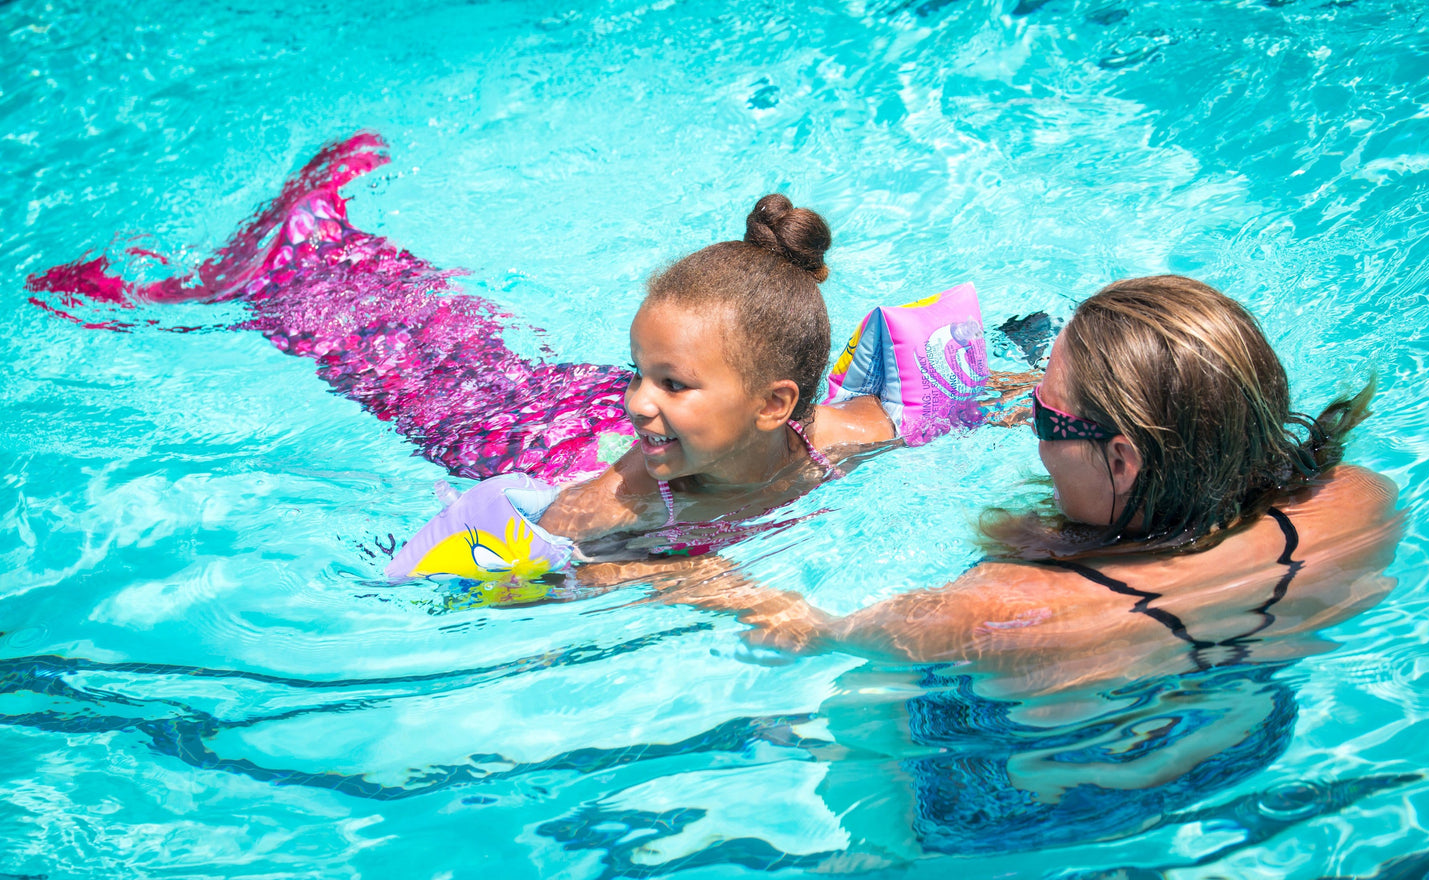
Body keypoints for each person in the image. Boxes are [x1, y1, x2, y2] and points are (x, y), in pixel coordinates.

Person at [26, 133, 1000, 579]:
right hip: (531, 432)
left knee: (451, 343)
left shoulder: (846, 432)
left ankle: (315, 244)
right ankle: (272, 268)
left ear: (772, 402)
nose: (642, 401)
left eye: (670, 381)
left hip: (572, 411)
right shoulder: (619, 494)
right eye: (642, 370)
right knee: (406, 362)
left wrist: (1013, 396)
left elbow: (940, 401)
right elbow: (544, 564)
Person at [651, 274, 1401, 678]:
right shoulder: (1359, 507)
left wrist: (681, 571)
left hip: (1055, 796)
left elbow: (807, 629)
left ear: (1120, 459)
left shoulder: (998, 611)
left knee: (863, 713)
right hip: (1243, 740)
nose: (1033, 429)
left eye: (1044, 415)